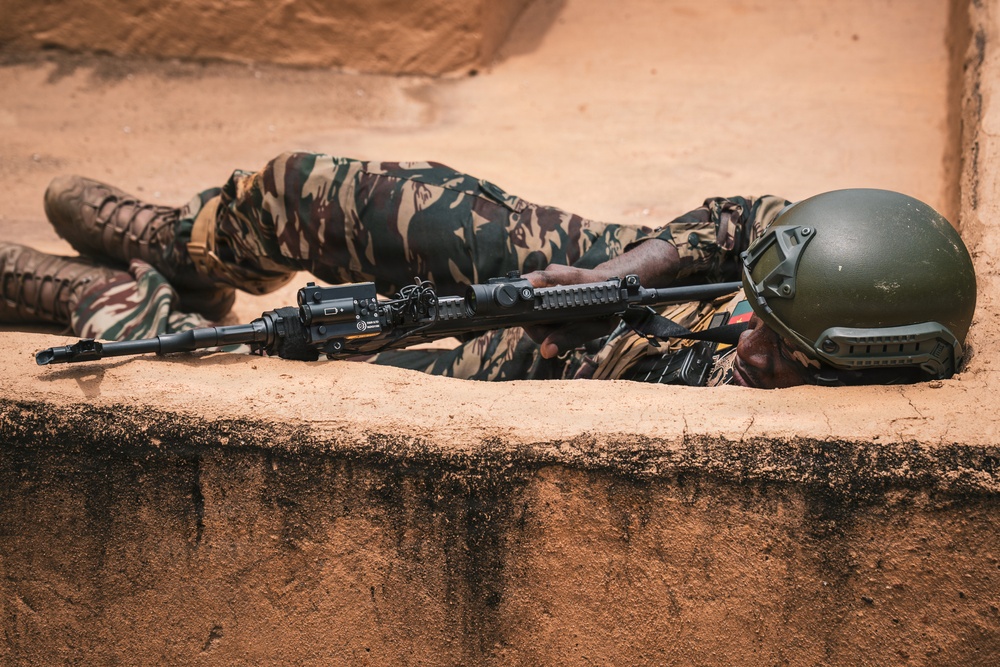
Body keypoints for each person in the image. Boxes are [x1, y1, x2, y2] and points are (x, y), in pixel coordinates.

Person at [0, 152, 978, 388]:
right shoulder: (837, 287)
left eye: (779, 345)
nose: (750, 335)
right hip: (600, 284)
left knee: (277, 364)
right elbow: (749, 219)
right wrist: (630, 267)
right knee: (341, 194)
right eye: (760, 308)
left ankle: (113, 302)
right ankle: (192, 246)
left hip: (547, 377)